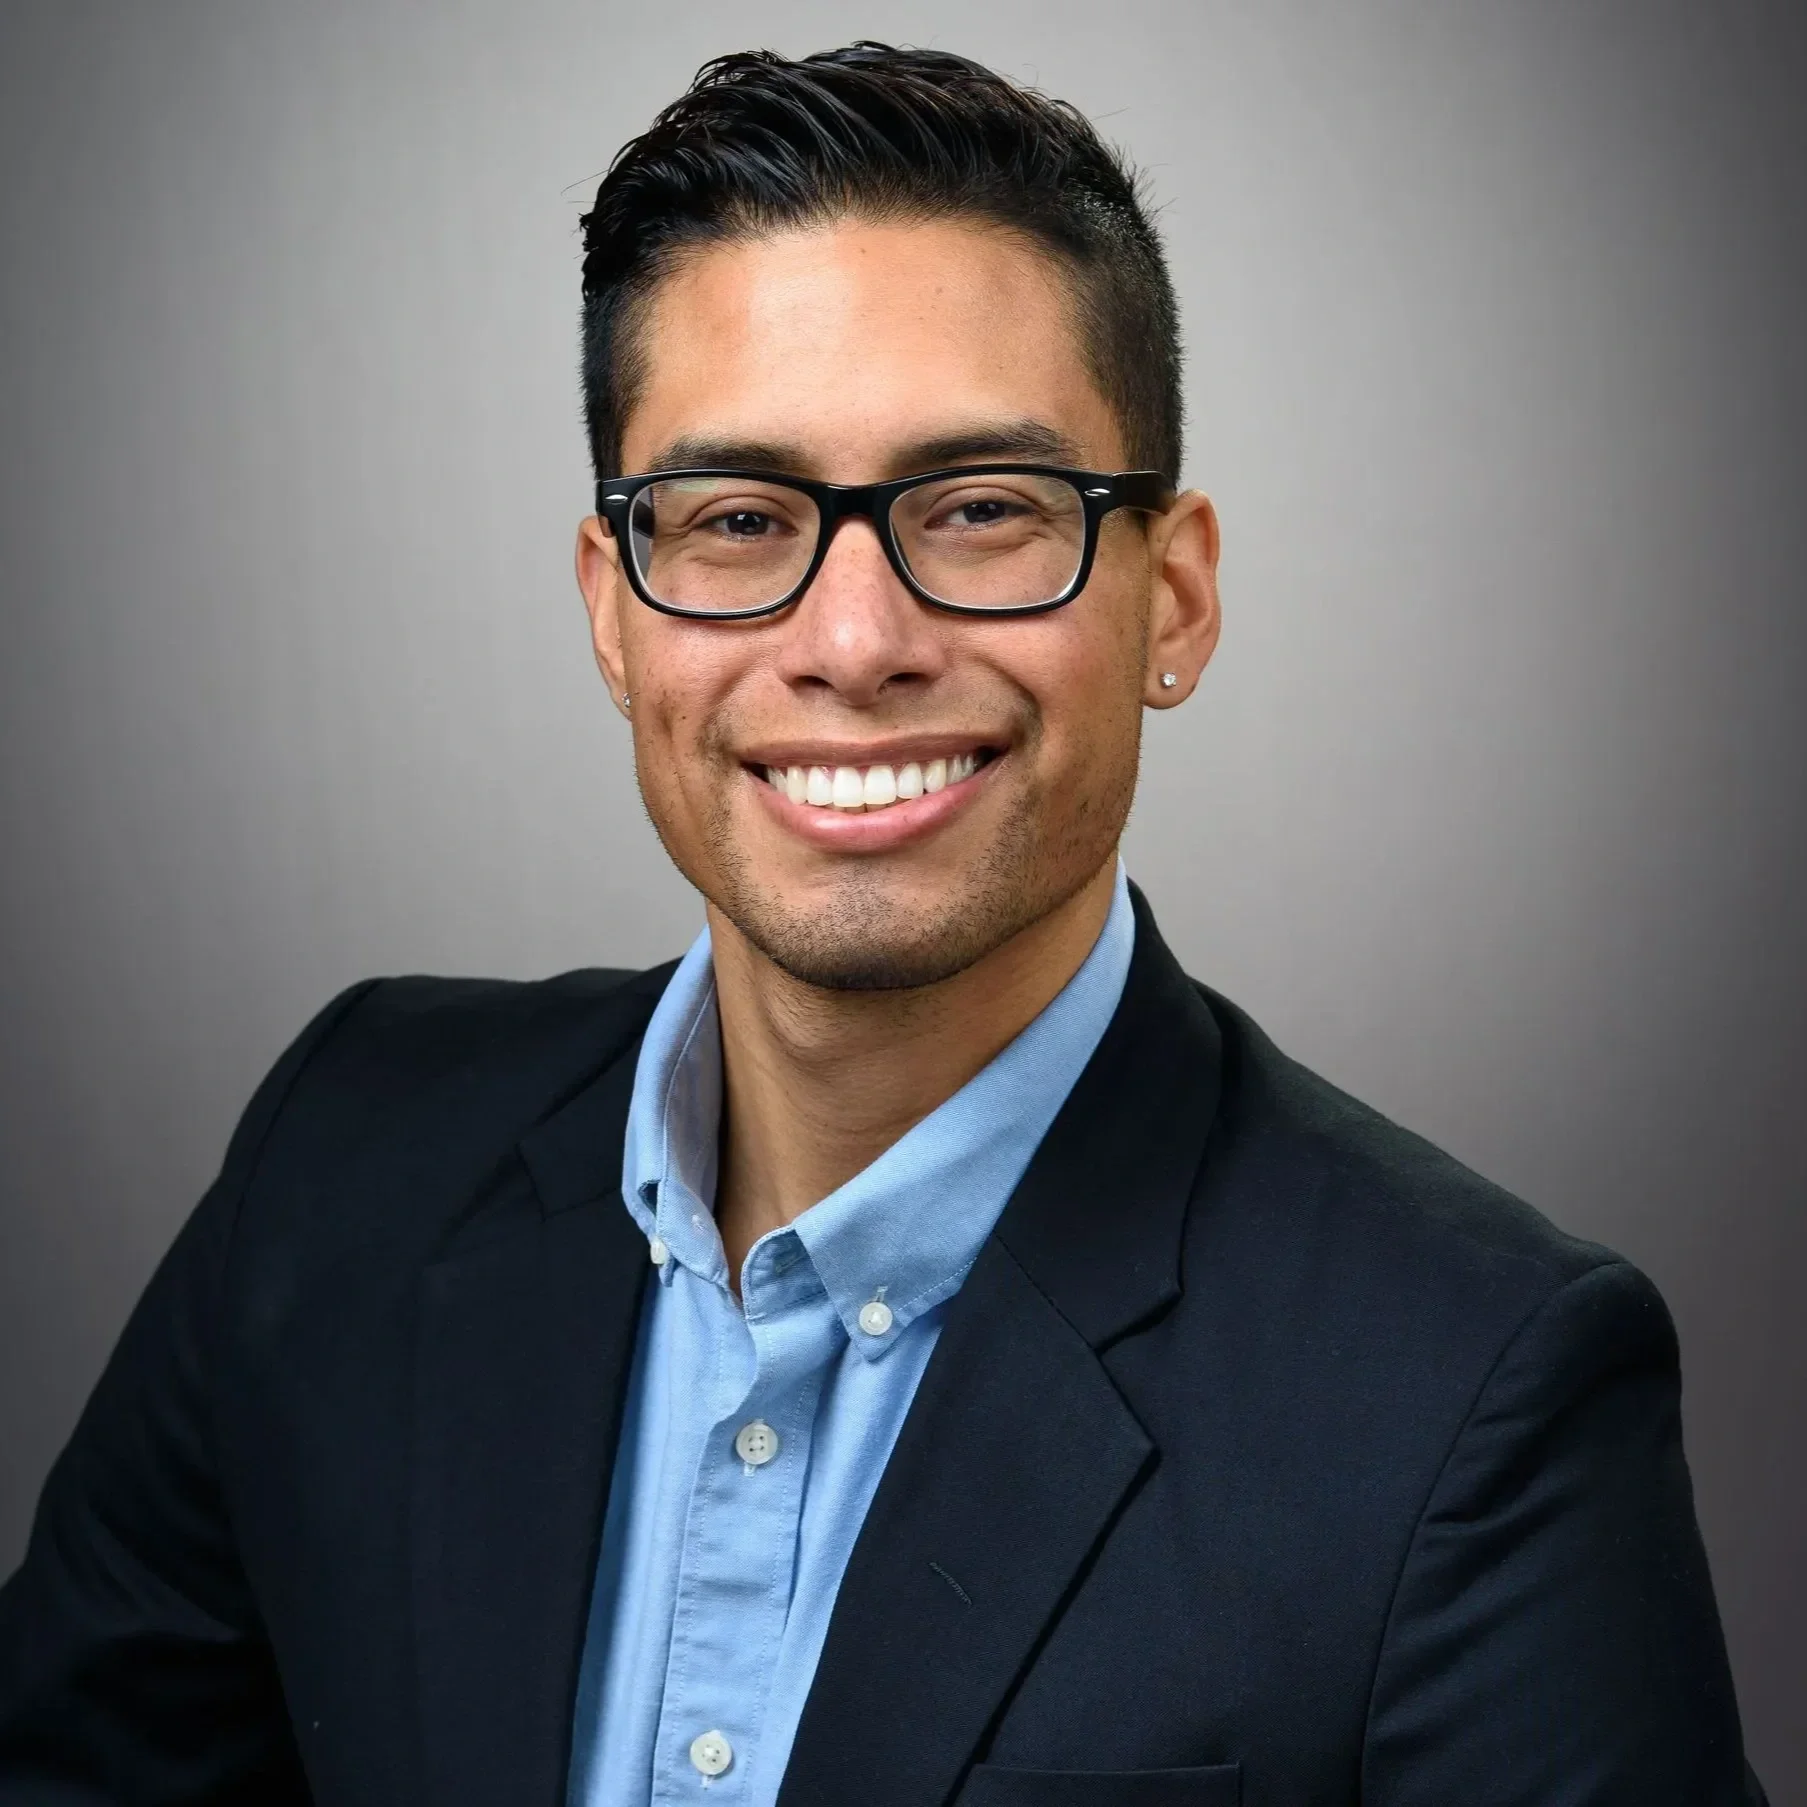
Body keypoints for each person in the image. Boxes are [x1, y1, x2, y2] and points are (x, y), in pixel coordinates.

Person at [0, 40, 1766, 1807]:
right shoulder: (343, 1161)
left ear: (1177, 595)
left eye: (984, 510)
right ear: (614, 615)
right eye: (740, 516)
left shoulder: (1476, 1394)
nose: (854, 641)